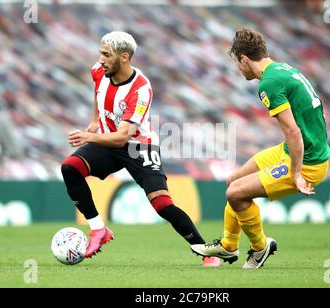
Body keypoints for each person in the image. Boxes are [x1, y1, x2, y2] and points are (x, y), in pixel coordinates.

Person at [61, 31, 220, 267]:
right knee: (70, 168)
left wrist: (87, 136)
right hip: (108, 140)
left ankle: (206, 252)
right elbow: (98, 93)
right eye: (100, 53)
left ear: (124, 57)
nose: (101, 59)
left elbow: (122, 137)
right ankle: (98, 229)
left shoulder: (140, 89)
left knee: (162, 204)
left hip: (138, 146)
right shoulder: (99, 71)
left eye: (106, 55)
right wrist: (96, 120)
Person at [191, 28, 330, 269]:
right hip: (292, 151)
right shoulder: (283, 69)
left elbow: (294, 132)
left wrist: (296, 173)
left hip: (307, 162)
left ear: (244, 59)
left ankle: (259, 248)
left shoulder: (269, 84)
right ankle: (229, 245)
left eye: (237, 62)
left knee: (235, 194)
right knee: (233, 180)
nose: (238, 69)